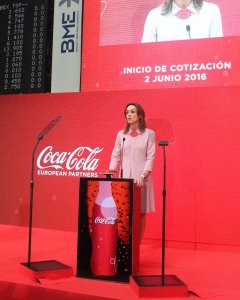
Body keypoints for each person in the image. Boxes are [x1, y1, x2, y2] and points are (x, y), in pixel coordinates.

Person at [109, 103, 156, 237]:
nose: (128, 114)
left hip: (142, 179)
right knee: (124, 212)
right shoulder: (121, 135)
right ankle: (126, 242)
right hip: (124, 179)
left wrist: (142, 176)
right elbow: (115, 155)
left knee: (140, 213)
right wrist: (111, 173)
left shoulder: (149, 134)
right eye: (127, 112)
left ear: (140, 115)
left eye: (132, 112)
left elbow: (150, 157)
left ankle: (137, 245)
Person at [142, 0, 223, 42]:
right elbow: (146, 53)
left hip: (203, 71)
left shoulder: (211, 11)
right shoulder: (155, 15)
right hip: (166, 72)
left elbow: (218, 49)